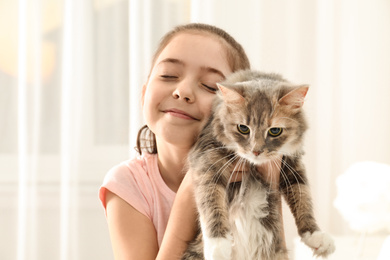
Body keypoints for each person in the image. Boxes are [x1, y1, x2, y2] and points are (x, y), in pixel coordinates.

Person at [99, 23, 284, 260]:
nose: (183, 91)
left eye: (209, 86)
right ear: (144, 93)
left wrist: (270, 189)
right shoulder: (127, 184)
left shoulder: (253, 177)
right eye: (168, 75)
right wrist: (188, 199)